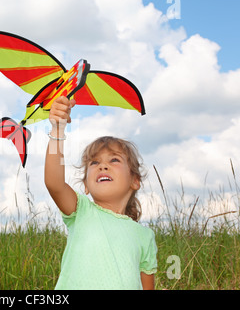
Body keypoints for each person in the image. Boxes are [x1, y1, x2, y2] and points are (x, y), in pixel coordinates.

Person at [45, 96, 157, 290]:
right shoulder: (82, 211)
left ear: (135, 181)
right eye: (94, 163)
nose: (103, 166)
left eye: (114, 160)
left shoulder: (144, 236)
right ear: (86, 186)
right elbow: (54, 183)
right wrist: (57, 130)